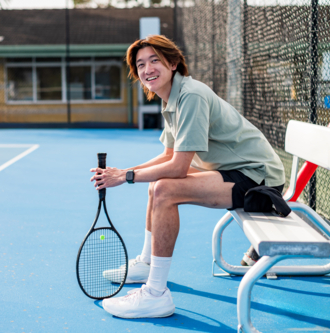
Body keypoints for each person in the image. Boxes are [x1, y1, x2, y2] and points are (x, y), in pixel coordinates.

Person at [89, 35, 285, 319]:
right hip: (231, 170)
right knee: (156, 184)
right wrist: (122, 172)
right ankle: (146, 263)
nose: (147, 69)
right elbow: (169, 156)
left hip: (259, 180)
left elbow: (178, 168)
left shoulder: (190, 95)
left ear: (173, 63)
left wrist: (126, 176)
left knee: (164, 190)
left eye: (155, 60)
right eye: (141, 64)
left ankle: (156, 295)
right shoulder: (170, 97)